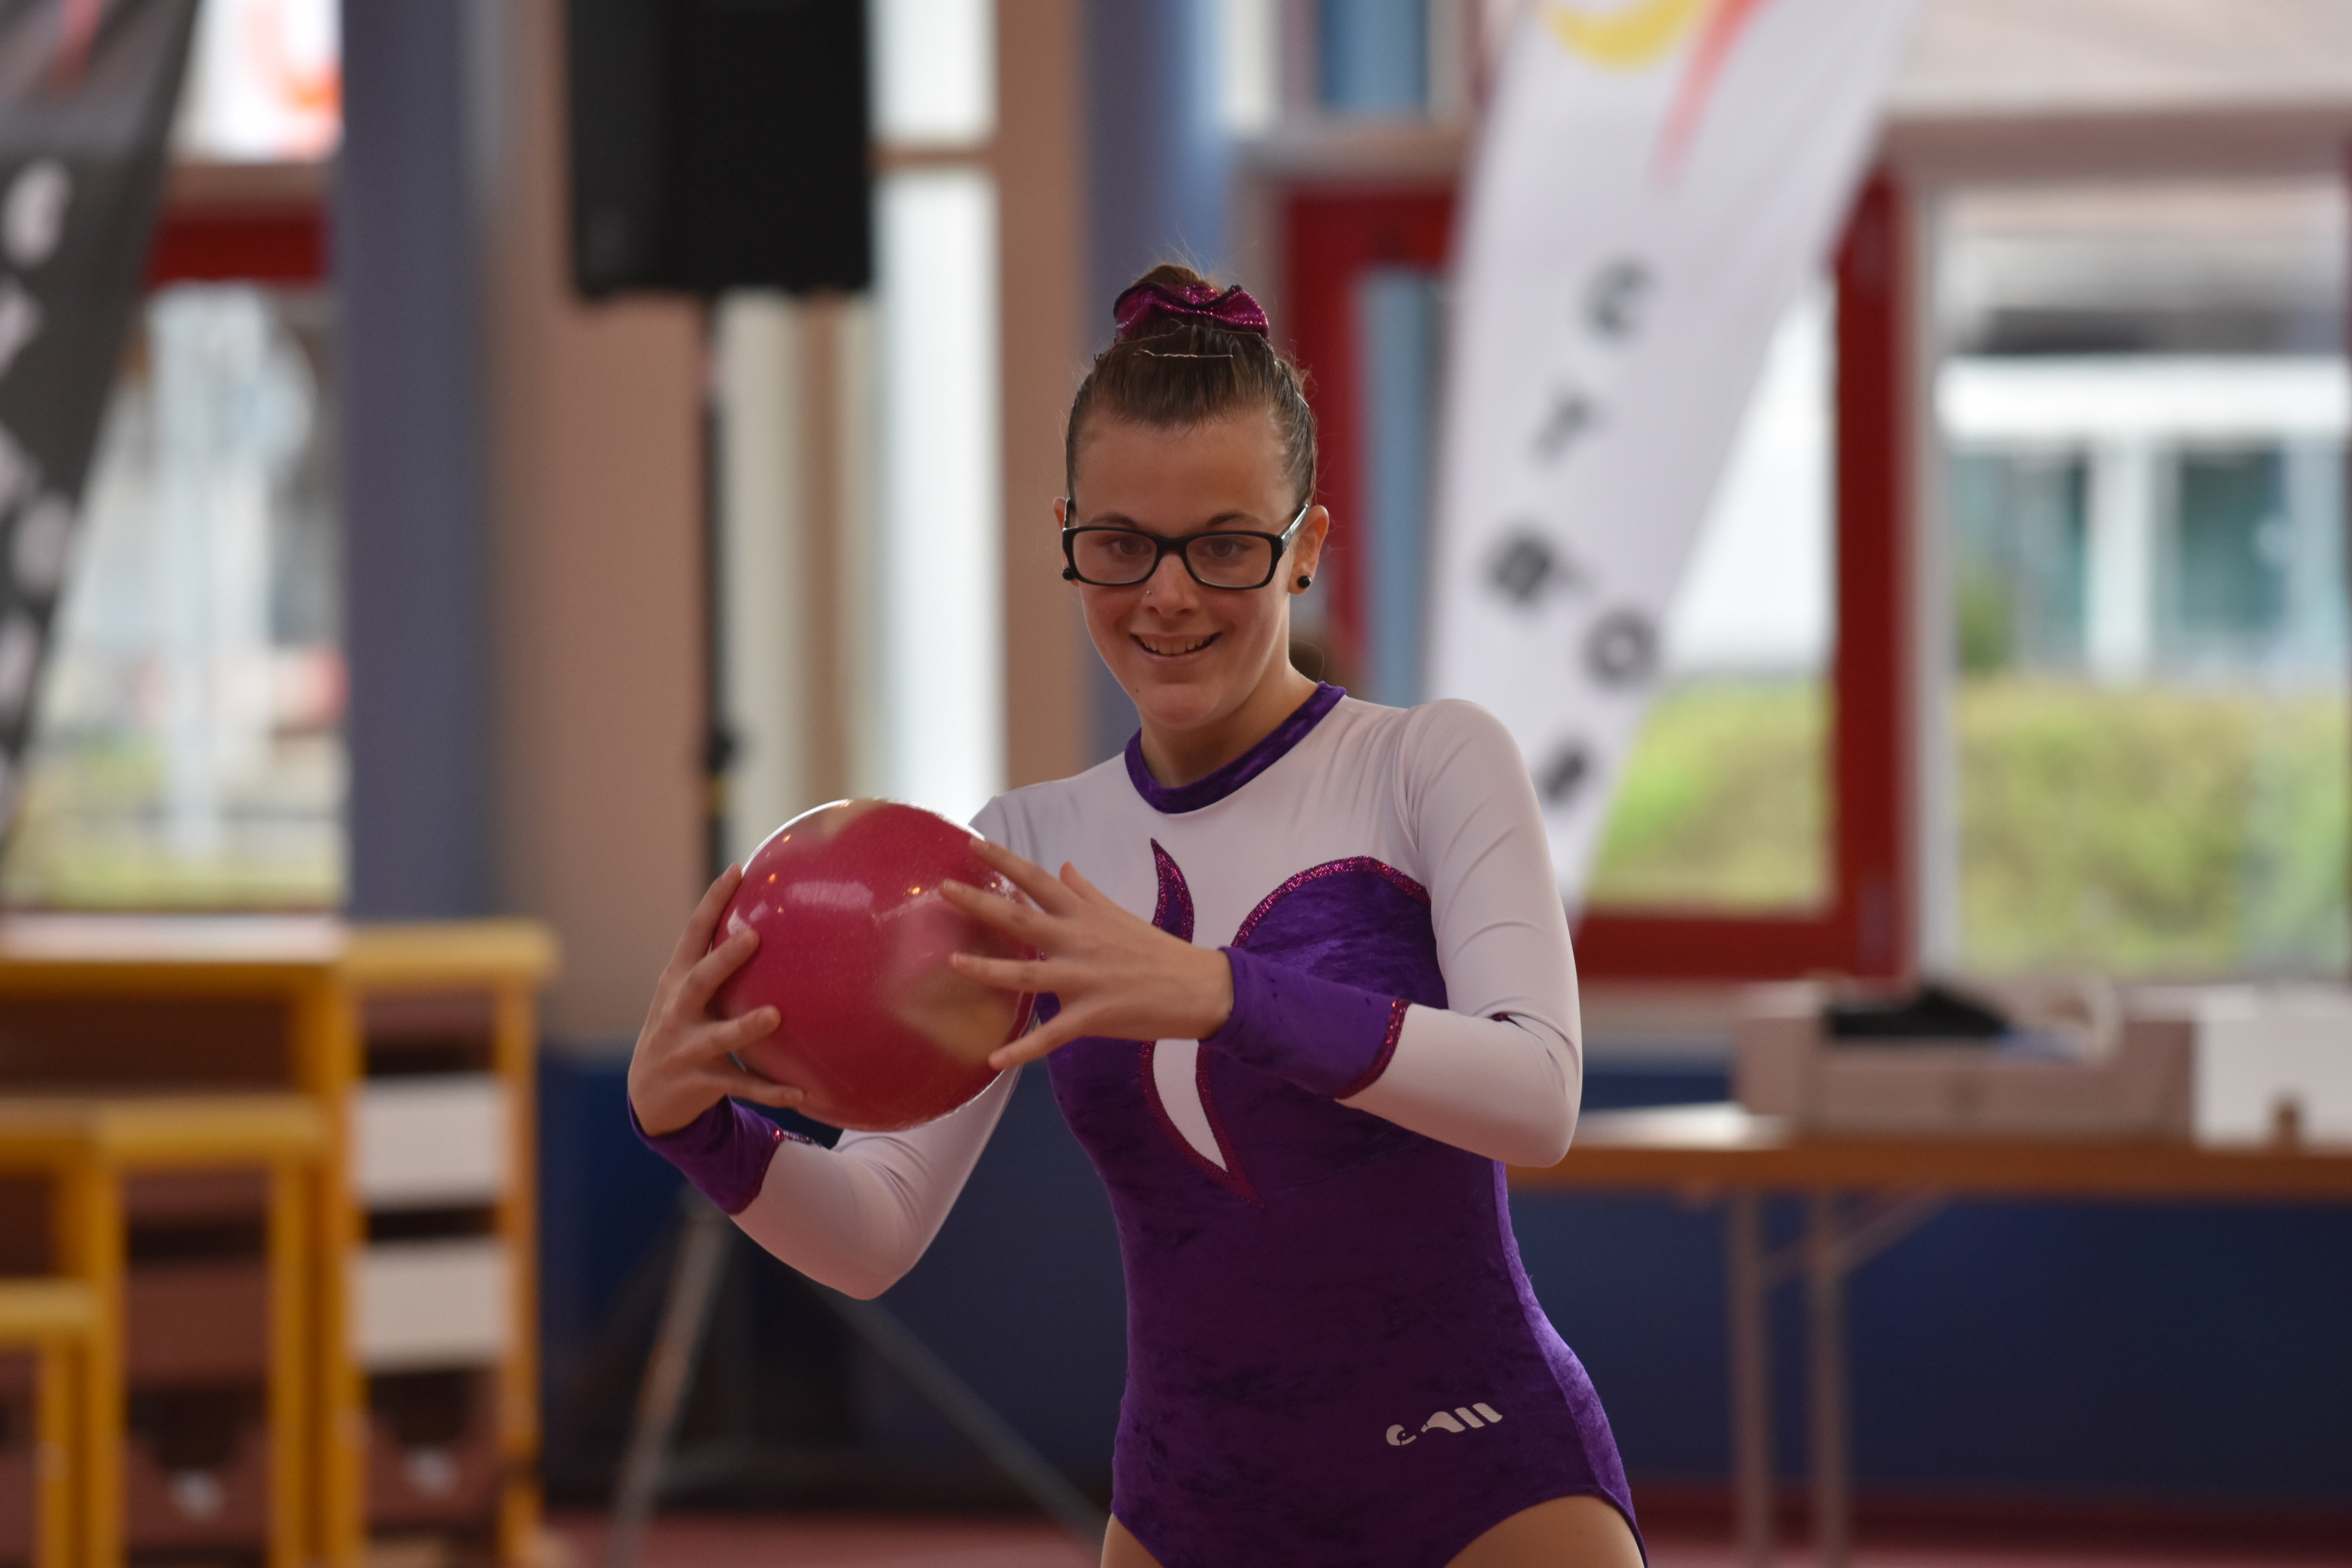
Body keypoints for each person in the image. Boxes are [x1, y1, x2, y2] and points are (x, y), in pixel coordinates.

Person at [627, 265, 1646, 1568]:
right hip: (1188, 1505)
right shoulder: (1022, 847)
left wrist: (1221, 992)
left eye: (1225, 546)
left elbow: (1539, 1094)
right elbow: (878, 1232)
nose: (1167, 595)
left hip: (1479, 1484)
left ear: (1307, 546)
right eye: (1121, 544)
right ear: (1069, 534)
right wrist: (700, 1131)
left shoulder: (1429, 763)